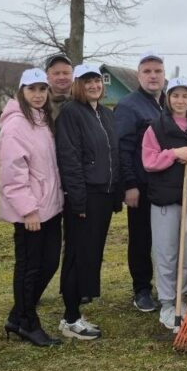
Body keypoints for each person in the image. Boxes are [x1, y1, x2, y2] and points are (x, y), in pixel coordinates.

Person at [0, 68, 63, 347]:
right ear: (21, 92)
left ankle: (17, 314)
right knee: (29, 268)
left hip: (50, 207)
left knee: (49, 263)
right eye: (31, 89)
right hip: (31, 212)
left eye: (42, 89)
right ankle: (27, 322)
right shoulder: (15, 125)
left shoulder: (43, 121)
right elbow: (12, 174)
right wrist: (28, 210)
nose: (37, 95)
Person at [55, 63, 120, 340]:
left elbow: (113, 154)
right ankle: (69, 318)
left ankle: (80, 306)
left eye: (97, 81)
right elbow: (70, 159)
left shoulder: (105, 113)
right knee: (77, 255)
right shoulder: (71, 113)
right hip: (84, 196)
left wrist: (115, 193)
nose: (94, 85)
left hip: (103, 195)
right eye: (87, 81)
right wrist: (78, 200)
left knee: (92, 254)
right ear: (77, 85)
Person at [142, 77, 187, 333]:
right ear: (167, 98)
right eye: (175, 96)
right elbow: (149, 161)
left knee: (186, 252)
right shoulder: (156, 127)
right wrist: (174, 154)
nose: (180, 101)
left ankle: (181, 297)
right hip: (165, 199)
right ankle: (167, 302)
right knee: (167, 251)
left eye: (185, 96)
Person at [114, 51, 167, 313]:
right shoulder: (129, 106)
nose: (153, 75)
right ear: (138, 76)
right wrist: (129, 185)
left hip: (166, 185)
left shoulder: (170, 103)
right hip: (142, 185)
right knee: (141, 238)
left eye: (157, 71)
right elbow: (122, 148)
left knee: (165, 236)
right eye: (147, 71)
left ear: (164, 75)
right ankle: (142, 289)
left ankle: (168, 283)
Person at [45, 53, 74, 120]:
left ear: (73, 75)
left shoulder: (84, 100)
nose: (61, 77)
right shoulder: (39, 105)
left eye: (66, 73)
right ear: (47, 77)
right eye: (56, 73)